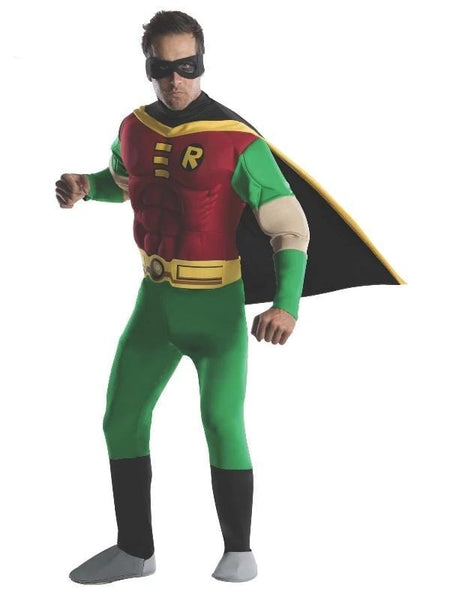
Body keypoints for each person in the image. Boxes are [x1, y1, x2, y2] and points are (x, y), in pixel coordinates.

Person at [55, 9, 404, 586]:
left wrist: (287, 304)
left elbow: (290, 227)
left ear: (202, 62)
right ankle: (135, 550)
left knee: (220, 420)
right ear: (148, 67)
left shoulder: (237, 140)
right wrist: (84, 188)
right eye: (162, 68)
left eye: (187, 66)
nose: (175, 80)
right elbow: (124, 183)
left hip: (216, 304)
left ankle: (239, 550)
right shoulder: (133, 128)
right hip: (155, 302)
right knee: (120, 418)